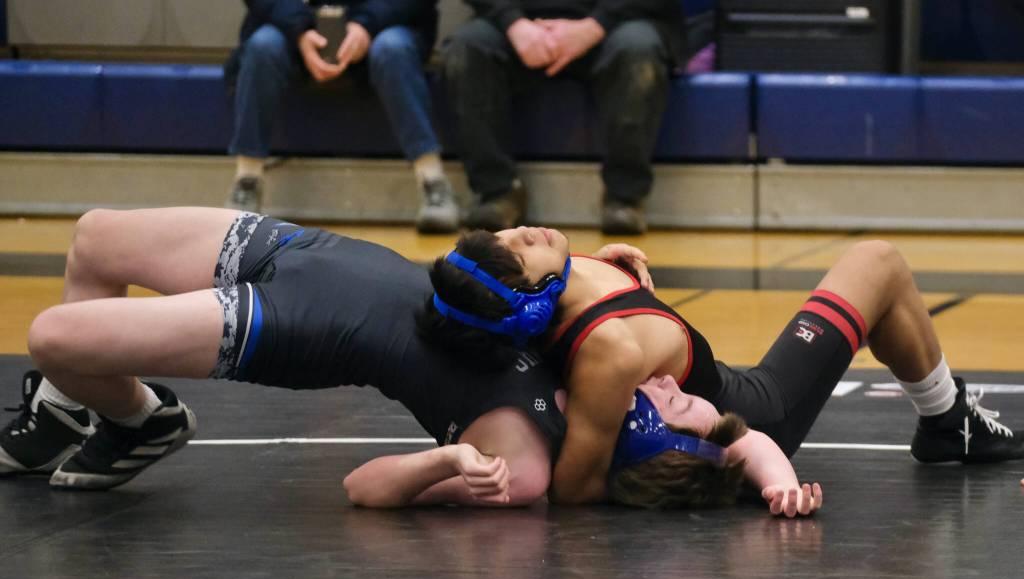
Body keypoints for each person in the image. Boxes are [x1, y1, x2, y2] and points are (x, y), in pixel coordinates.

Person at [0, 208, 566, 504]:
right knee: (95, 237)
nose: (526, 232)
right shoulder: (575, 290)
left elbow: (362, 487)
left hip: (289, 325)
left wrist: (444, 462)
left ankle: (142, 422)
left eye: (520, 244)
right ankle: (62, 413)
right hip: (308, 252)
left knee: (52, 338)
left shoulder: (521, 467)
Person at [421, 227, 1023, 504]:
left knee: (879, 291)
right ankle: (949, 421)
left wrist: (602, 265)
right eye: (521, 250)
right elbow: (578, 488)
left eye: (509, 233)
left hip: (708, 383)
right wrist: (691, 469)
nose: (525, 231)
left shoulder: (552, 279)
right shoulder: (608, 353)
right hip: (757, 412)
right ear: (534, 299)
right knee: (878, 262)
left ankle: (949, 420)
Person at [443, 0, 689, 234]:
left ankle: (624, 197)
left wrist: (595, 25)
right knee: (467, 47)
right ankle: (497, 192)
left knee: (637, 48)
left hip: (617, 22)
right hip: (518, 28)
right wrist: (513, 22)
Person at [223, 0, 458, 232]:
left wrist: (365, 25)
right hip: (292, 24)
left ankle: (432, 180)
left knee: (392, 48)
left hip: (386, 24)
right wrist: (300, 30)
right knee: (263, 46)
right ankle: (247, 180)